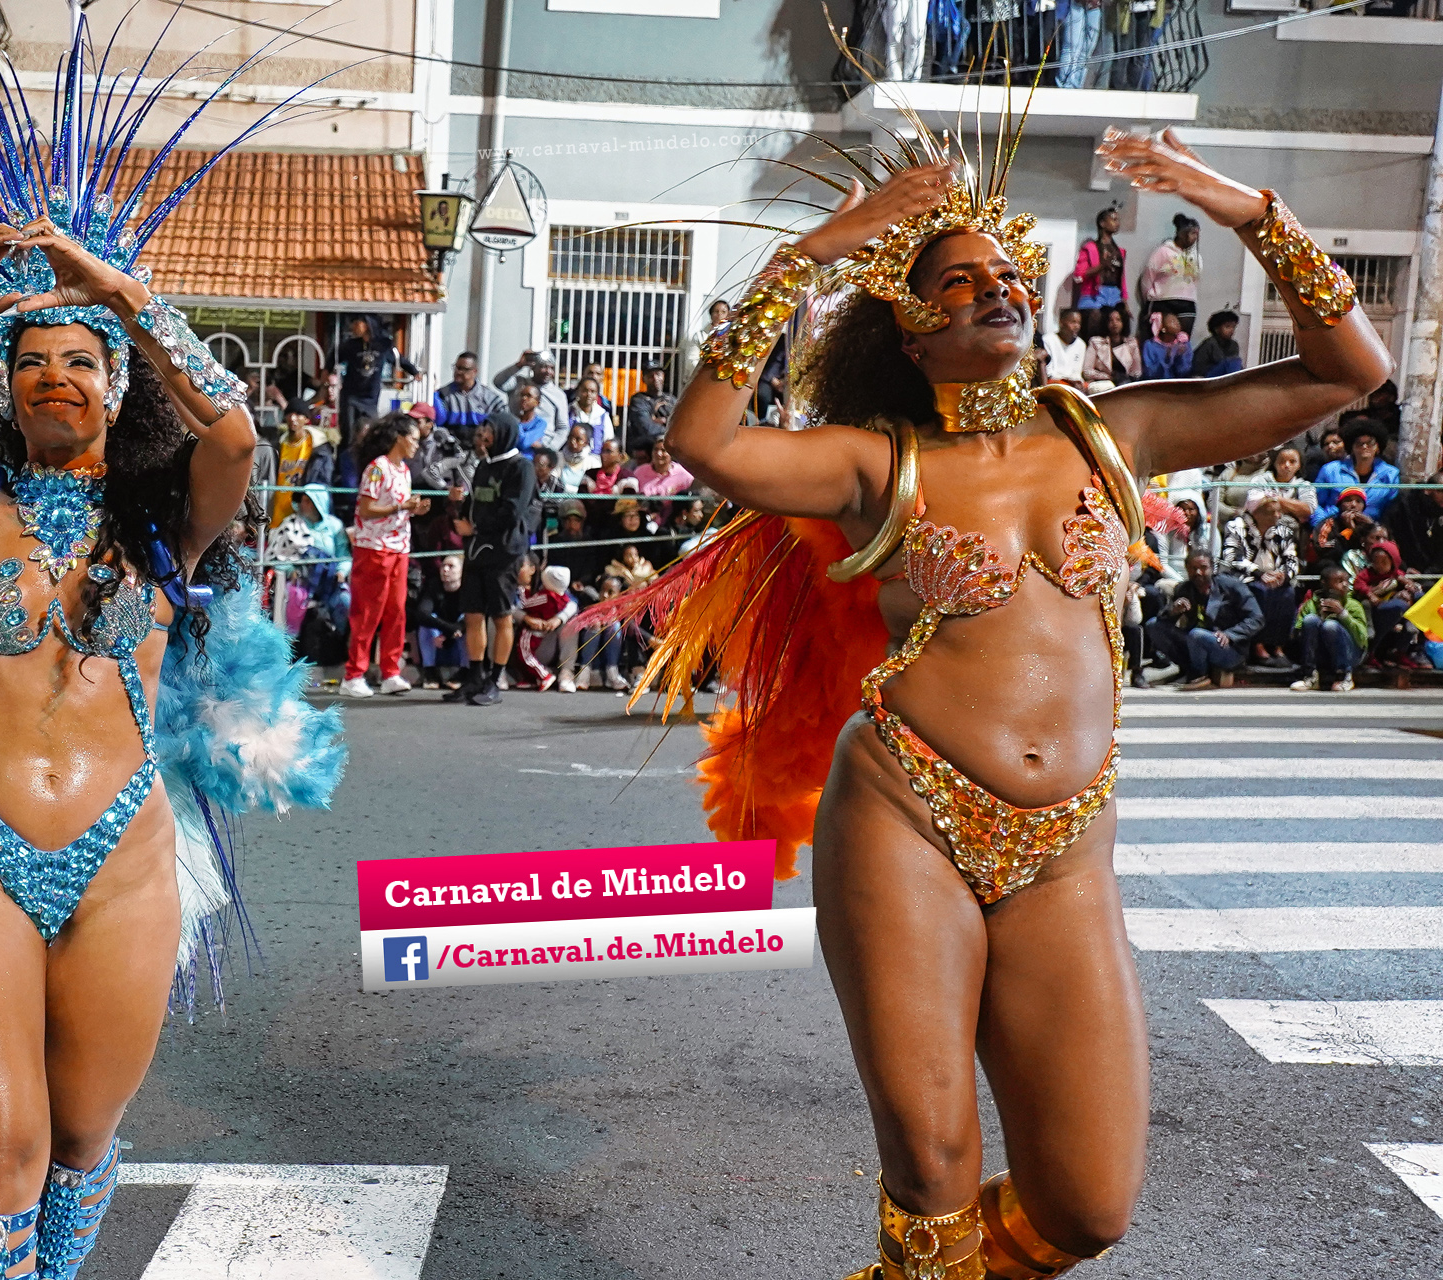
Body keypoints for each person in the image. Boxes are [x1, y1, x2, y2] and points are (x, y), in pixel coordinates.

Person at [582, 115, 1390, 1277]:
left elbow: (1348, 371)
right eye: (958, 281)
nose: (996, 288)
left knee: (1088, 1203)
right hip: (906, 817)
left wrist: (1247, 212)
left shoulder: (1113, 433)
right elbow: (706, 441)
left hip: (1067, 847)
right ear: (910, 329)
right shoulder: (876, 462)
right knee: (934, 1166)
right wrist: (812, 256)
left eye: (1008, 274)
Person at [0, 29, 344, 1279]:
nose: (53, 378)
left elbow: (236, 436)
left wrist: (127, 297)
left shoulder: (166, 519)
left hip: (123, 860)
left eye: (78, 362)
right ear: (4, 386)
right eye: (30, 361)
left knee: (82, 1145)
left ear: (117, 383)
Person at [447, 411, 535, 707]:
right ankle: (475, 676)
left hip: (503, 552)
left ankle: (495, 680)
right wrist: (459, 506)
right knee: (473, 614)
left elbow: (512, 511)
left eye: (490, 430)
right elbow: (477, 502)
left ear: (504, 434)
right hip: (476, 550)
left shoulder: (521, 467)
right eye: (483, 429)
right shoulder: (484, 465)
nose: (484, 435)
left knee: (501, 616)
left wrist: (475, 528)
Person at [342, 414, 428, 698]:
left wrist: (412, 509)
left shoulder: (404, 470)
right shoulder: (377, 468)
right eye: (413, 438)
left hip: (399, 547)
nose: (416, 444)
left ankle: (390, 671)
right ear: (399, 438)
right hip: (374, 547)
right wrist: (401, 507)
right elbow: (366, 509)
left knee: (396, 611)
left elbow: (397, 507)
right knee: (367, 612)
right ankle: (354, 674)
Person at [1145, 551, 1261, 690]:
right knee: (1153, 625)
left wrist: (1231, 634)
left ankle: (1199, 675)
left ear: (1212, 568)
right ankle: (1189, 669)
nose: (1198, 572)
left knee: (1197, 635)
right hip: (1195, 642)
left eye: (1203, 567)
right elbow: (1163, 620)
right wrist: (1173, 611)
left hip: (1229, 648)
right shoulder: (1184, 589)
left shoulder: (1231, 586)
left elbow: (1256, 618)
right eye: (1193, 568)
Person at [1218, 494, 1300, 668]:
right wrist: (1259, 573)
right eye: (1271, 512)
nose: (1277, 516)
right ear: (1256, 513)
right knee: (1259, 591)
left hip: (1274, 578)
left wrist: (1282, 575)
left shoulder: (1283, 531)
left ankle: (1278, 646)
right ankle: (1258, 646)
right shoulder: (1236, 526)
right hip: (1243, 577)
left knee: (1288, 593)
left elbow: (1292, 560)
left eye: (1279, 511)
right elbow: (1232, 558)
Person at [334, 313, 417, 439]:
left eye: (356, 323)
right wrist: (326, 372)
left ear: (367, 325)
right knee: (348, 434)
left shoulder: (383, 345)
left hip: (370, 399)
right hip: (351, 396)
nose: (352, 327)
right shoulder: (350, 345)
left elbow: (399, 359)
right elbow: (333, 359)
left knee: (370, 434)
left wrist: (414, 371)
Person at [1290, 565, 1368, 692]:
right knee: (1310, 620)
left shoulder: (1353, 605)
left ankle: (1344, 676)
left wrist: (1343, 615)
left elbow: (1362, 640)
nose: (1345, 585)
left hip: (1349, 654)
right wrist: (1319, 619)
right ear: (1324, 583)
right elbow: (1298, 635)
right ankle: (1310, 675)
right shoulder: (1311, 605)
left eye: (1346, 581)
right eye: (1339, 581)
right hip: (1321, 654)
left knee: (1330, 626)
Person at [1312, 412, 1399, 523]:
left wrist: (1375, 527)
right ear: (1351, 447)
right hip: (1334, 527)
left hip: (1370, 529)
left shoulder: (1391, 475)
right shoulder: (1330, 470)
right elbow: (1315, 504)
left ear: (1378, 447)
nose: (1365, 446)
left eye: (1370, 443)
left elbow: (1391, 511)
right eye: (1359, 443)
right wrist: (1323, 525)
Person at [515, 563, 579, 692]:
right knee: (500, 616)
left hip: (545, 639)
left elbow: (573, 604)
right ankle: (519, 675)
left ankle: (565, 673)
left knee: (572, 619)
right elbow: (508, 607)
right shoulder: (513, 588)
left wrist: (558, 618)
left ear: (533, 569)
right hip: (526, 637)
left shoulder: (550, 593)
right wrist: (524, 617)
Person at [1356, 540, 1421, 667]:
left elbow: (1404, 580)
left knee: (1417, 598)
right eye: (1376, 562)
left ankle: (1410, 625)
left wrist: (1409, 585)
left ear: (1393, 562)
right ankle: (1370, 635)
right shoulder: (1367, 573)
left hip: (1389, 603)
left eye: (1384, 562)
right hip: (1373, 606)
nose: (1379, 566)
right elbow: (1359, 585)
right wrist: (1370, 594)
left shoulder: (1395, 574)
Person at [1138, 214, 1200, 337]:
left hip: (1187, 302)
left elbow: (1196, 279)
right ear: (1182, 233)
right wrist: (1151, 296)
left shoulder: (1195, 257)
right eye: (1192, 233)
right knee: (1159, 340)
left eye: (1197, 234)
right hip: (1163, 301)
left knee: (1182, 340)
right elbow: (1148, 277)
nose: (1195, 238)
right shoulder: (1163, 252)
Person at [411, 554, 467, 688]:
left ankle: (465, 672)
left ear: (462, 571)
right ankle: (430, 672)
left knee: (469, 622)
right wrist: (448, 630)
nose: (445, 570)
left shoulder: (469, 589)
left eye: (451, 566)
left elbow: (473, 616)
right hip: (437, 641)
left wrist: (451, 633)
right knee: (426, 624)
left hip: (458, 641)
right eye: (443, 566)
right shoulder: (434, 586)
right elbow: (422, 614)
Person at [270, 402, 326, 527]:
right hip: (278, 512)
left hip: (304, 513)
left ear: (306, 419)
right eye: (289, 414)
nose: (292, 418)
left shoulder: (317, 447)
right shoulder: (278, 446)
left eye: (298, 414)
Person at [1072, 205, 1126, 333]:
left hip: (1114, 294)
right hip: (1093, 294)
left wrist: (1125, 299)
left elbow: (1122, 278)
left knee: (1120, 321)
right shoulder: (1090, 248)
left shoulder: (1120, 251)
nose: (1117, 223)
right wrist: (1102, 266)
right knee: (1094, 320)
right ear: (1102, 223)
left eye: (1118, 220)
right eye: (1113, 219)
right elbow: (1079, 275)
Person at [432, 350, 506, 442]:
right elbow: (439, 422)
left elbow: (503, 424)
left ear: (474, 371)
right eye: (456, 367)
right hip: (451, 445)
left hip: (480, 446)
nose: (458, 372)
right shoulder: (444, 394)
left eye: (463, 369)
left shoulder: (490, 399)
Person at [1381, 469, 1443, 573]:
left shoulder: (1438, 514)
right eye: (1441, 491)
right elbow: (1388, 538)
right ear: (1428, 490)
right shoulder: (1403, 506)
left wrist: (1430, 573)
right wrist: (1404, 569)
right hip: (1402, 571)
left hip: (1433, 574)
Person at [1245, 443, 1315, 529]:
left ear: (1299, 465)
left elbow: (1308, 510)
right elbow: (1253, 504)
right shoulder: (1260, 480)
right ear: (1274, 463)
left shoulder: (1305, 485)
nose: (1287, 465)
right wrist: (1292, 507)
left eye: (1292, 461)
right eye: (1282, 461)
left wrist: (1274, 498)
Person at [493, 349, 569, 428]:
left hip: (545, 435)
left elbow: (563, 427)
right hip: (516, 432)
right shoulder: (519, 383)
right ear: (533, 368)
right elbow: (498, 382)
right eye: (543, 367)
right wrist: (519, 365)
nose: (548, 371)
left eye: (552, 368)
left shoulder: (558, 395)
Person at [1081, 306, 1141, 390]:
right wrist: (1108, 377)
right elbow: (1087, 371)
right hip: (1102, 383)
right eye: (1111, 320)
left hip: (1125, 383)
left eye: (1118, 320)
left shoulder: (1131, 343)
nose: (1114, 323)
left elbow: (1136, 372)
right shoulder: (1095, 342)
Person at [625, 361, 676, 447]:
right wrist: (670, 427)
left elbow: (681, 425)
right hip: (646, 448)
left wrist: (663, 420)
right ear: (643, 379)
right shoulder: (639, 400)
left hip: (669, 449)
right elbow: (647, 428)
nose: (655, 378)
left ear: (663, 376)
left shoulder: (672, 400)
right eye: (650, 376)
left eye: (658, 374)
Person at [1188, 310, 1242, 379]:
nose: (1231, 330)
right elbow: (1197, 368)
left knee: (1236, 361)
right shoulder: (1209, 344)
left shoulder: (1234, 345)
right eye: (1227, 327)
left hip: (1224, 377)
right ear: (1216, 329)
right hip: (1207, 376)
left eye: (1233, 327)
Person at [565, 375, 613, 453]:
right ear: (578, 391)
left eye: (593, 391)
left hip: (595, 458)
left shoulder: (602, 415)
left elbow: (608, 439)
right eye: (585, 390)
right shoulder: (568, 412)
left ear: (597, 395)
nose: (589, 394)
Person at [1140, 310, 1192, 380]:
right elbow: (1150, 372)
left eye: (1177, 321)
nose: (1177, 323)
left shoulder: (1183, 343)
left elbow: (1184, 372)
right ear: (1163, 328)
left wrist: (1179, 357)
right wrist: (1166, 359)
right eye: (1172, 321)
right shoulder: (1150, 345)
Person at [1041, 309, 1086, 388]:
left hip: (1074, 383)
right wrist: (1066, 380)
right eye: (1073, 322)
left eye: (1079, 323)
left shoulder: (1081, 344)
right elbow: (1049, 371)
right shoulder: (1048, 340)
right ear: (1061, 322)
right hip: (1055, 381)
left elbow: (1077, 372)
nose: (1077, 326)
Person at [508, 380, 550, 457]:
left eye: (529, 396)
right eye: (522, 395)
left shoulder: (540, 423)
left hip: (529, 461)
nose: (524, 398)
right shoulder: (512, 420)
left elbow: (524, 443)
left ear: (537, 402)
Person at [555, 423, 597, 492]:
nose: (573, 441)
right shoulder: (556, 458)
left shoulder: (593, 463)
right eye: (570, 437)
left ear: (586, 443)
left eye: (578, 439)